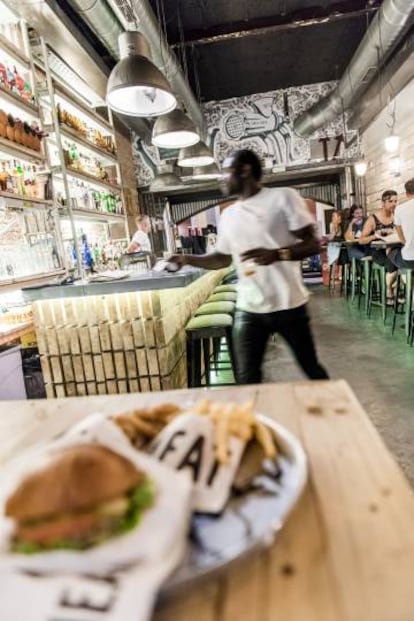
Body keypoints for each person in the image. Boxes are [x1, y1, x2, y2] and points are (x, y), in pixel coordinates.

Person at [168, 149, 328, 384]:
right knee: (246, 379)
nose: (221, 179)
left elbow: (314, 245)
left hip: (289, 305)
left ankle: (338, 414)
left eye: (225, 173)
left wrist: (278, 254)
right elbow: (221, 259)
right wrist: (186, 259)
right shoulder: (229, 215)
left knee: (311, 368)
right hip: (249, 307)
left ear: (245, 170)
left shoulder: (283, 197)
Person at [358, 189, 398, 301]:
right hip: (376, 251)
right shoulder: (373, 219)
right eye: (390, 201)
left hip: (392, 248)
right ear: (383, 203)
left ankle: (390, 289)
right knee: (394, 262)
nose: (394, 204)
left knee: (399, 258)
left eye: (395, 201)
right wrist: (375, 236)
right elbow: (361, 240)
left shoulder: (396, 217)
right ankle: (390, 291)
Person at [389, 178, 414, 269]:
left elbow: (401, 238)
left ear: (407, 194)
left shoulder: (399, 209)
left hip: (410, 258)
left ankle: (401, 281)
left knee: (390, 253)